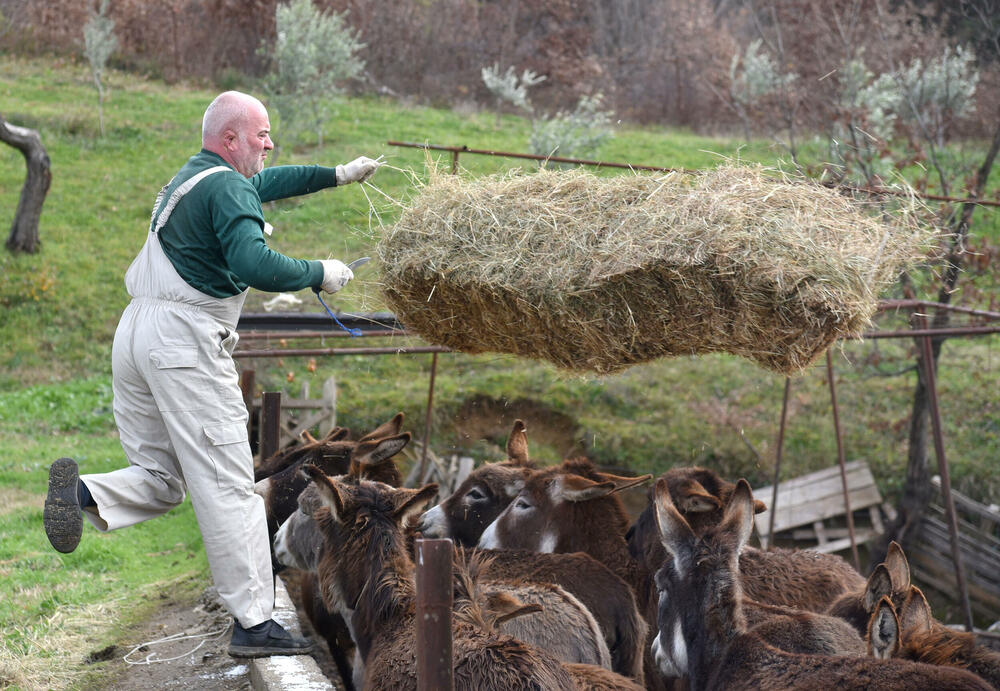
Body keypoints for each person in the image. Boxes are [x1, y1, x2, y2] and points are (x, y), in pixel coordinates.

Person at [42, 91, 381, 658]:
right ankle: (254, 624)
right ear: (230, 140)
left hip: (136, 336)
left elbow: (269, 184)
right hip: (185, 343)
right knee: (230, 485)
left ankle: (81, 494)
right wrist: (320, 272)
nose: (270, 144)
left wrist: (338, 176)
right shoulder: (227, 187)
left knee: (161, 476)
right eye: (261, 135)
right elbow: (254, 263)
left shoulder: (194, 179)